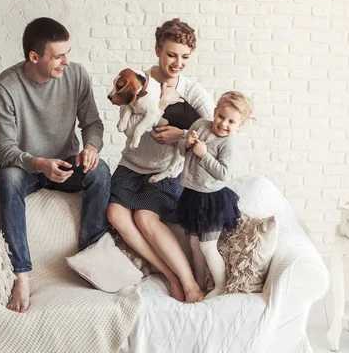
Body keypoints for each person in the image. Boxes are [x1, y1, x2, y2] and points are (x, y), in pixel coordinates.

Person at [0, 17, 110, 313]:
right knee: (8, 178)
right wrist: (38, 164)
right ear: (34, 56)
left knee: (102, 171)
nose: (66, 61)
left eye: (68, 53)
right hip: (28, 167)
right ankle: (20, 273)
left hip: (67, 163)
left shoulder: (76, 76)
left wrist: (91, 148)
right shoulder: (5, 87)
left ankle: (90, 257)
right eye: (58, 56)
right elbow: (4, 149)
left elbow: (92, 123)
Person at [108, 18, 215, 303]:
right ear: (157, 50)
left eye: (185, 57)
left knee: (144, 216)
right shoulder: (140, 82)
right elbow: (128, 130)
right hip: (131, 164)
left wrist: (180, 135)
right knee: (115, 214)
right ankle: (169, 274)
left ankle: (190, 284)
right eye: (171, 54)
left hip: (166, 172)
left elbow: (215, 135)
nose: (177, 62)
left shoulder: (193, 92)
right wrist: (162, 104)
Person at [177, 91, 253, 299]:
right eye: (221, 117)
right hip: (193, 195)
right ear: (214, 112)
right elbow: (181, 151)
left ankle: (220, 285)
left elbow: (223, 173)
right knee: (194, 245)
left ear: (239, 125)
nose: (223, 124)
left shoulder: (229, 143)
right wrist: (187, 143)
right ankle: (199, 284)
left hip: (212, 200)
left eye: (231, 121)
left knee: (207, 245)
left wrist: (204, 154)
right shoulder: (200, 125)